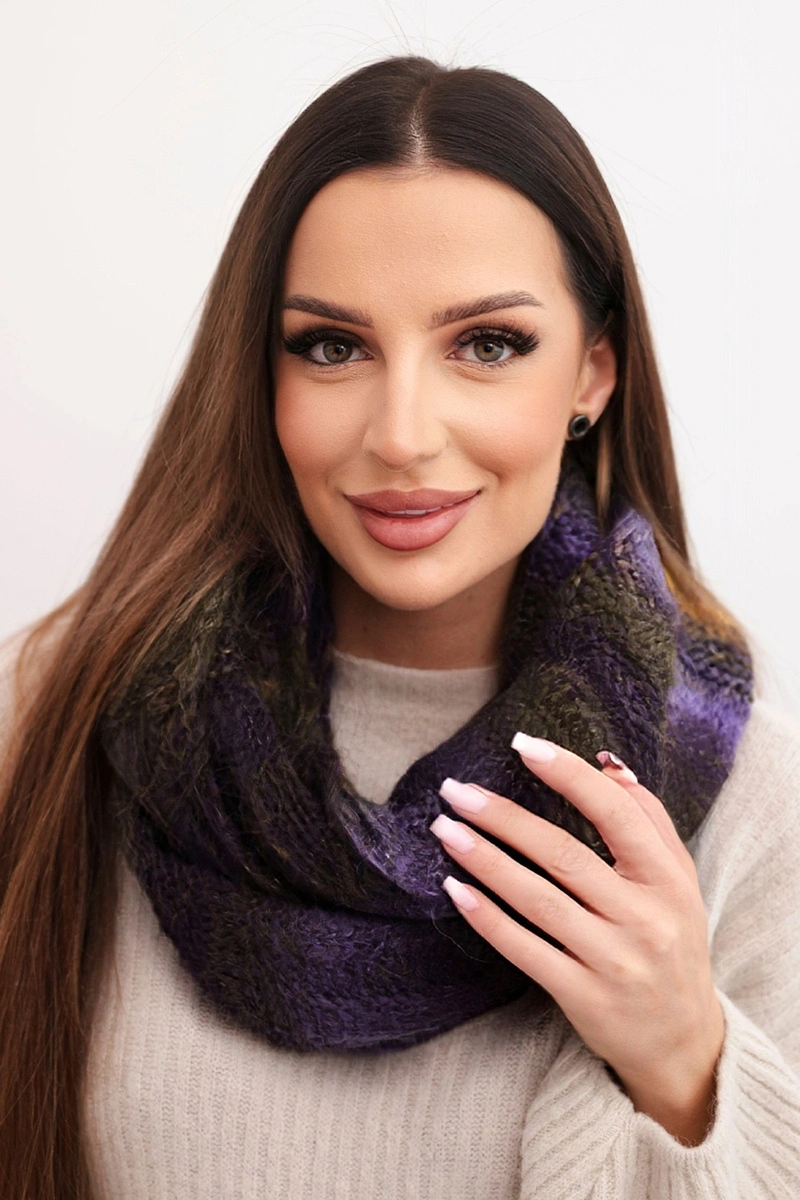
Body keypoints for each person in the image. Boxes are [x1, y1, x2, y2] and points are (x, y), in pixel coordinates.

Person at [1, 54, 799, 1200]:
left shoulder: (748, 799)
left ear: (591, 375)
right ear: (258, 374)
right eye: (332, 346)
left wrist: (681, 1062)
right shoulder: (47, 717)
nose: (402, 433)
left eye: (486, 344)